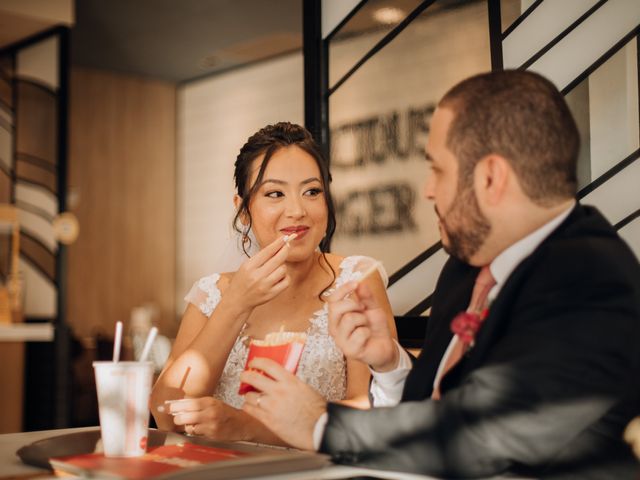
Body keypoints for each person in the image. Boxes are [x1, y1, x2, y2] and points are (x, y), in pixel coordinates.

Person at [239, 71, 640, 478]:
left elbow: (482, 434)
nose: (428, 190)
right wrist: (390, 362)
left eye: (438, 170)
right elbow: (439, 407)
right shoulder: (466, 268)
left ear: (490, 178)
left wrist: (321, 424)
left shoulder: (592, 281)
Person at [150, 122, 395, 445]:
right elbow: (166, 414)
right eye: (275, 194)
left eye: (312, 191)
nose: (297, 211)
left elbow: (369, 411)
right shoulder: (213, 292)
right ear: (244, 210)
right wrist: (236, 303)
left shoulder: (355, 279)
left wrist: (247, 427)